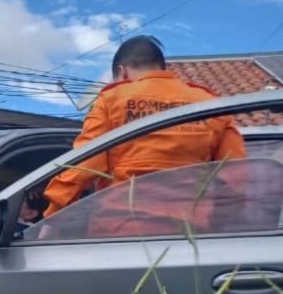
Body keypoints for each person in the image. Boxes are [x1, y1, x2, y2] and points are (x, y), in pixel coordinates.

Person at [41, 35, 245, 237]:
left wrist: (52, 219)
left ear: (122, 72)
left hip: (121, 229)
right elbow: (236, 176)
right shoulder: (209, 102)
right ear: (161, 67)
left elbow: (83, 165)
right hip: (190, 234)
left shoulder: (112, 99)